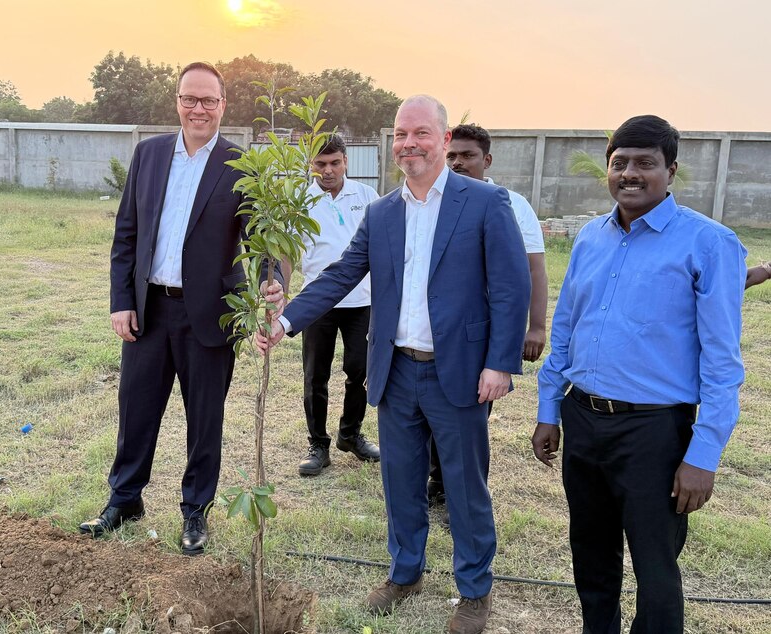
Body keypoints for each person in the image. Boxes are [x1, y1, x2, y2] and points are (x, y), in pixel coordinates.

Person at [259, 95, 530, 634]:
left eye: (422, 133)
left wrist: (500, 362)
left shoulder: (486, 203)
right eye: (402, 135)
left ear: (445, 139)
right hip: (397, 371)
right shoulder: (382, 213)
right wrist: (285, 321)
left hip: (459, 371)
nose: (410, 144)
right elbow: (340, 276)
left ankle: (474, 590)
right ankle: (406, 573)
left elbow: (510, 286)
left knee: (463, 485)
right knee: (400, 480)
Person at [533, 115, 747, 633]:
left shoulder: (709, 243)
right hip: (582, 420)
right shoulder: (589, 237)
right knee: (590, 551)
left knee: (655, 567)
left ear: (670, 171)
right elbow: (565, 328)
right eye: (620, 163)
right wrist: (548, 411)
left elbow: (722, 362)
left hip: (655, 432)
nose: (630, 174)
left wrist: (703, 455)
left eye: (645, 164)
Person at [80, 62, 275, 556]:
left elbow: (261, 240)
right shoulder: (147, 155)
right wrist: (121, 300)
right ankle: (124, 500)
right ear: (177, 102)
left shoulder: (240, 165)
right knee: (136, 410)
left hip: (210, 316)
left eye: (209, 100)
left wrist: (272, 283)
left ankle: (195, 511)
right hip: (149, 311)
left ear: (223, 105)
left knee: (204, 418)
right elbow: (126, 234)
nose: (199, 108)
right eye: (190, 98)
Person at [427, 123, 549, 506]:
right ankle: (436, 481)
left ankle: (458, 491)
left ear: (487, 159)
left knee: (469, 415)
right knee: (431, 412)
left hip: (482, 333)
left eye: (468, 156)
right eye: (452, 156)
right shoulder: (429, 200)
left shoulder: (509, 203)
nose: (458, 163)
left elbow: (533, 270)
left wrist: (536, 327)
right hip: (434, 330)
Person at [296, 133, 381, 476]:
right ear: (311, 165)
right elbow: (287, 252)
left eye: (334, 163)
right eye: (320, 164)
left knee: (360, 371)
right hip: (317, 301)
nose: (328, 171)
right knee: (315, 375)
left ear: (346, 161)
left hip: (362, 302)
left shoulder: (368, 197)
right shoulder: (299, 200)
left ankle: (351, 434)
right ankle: (318, 443)